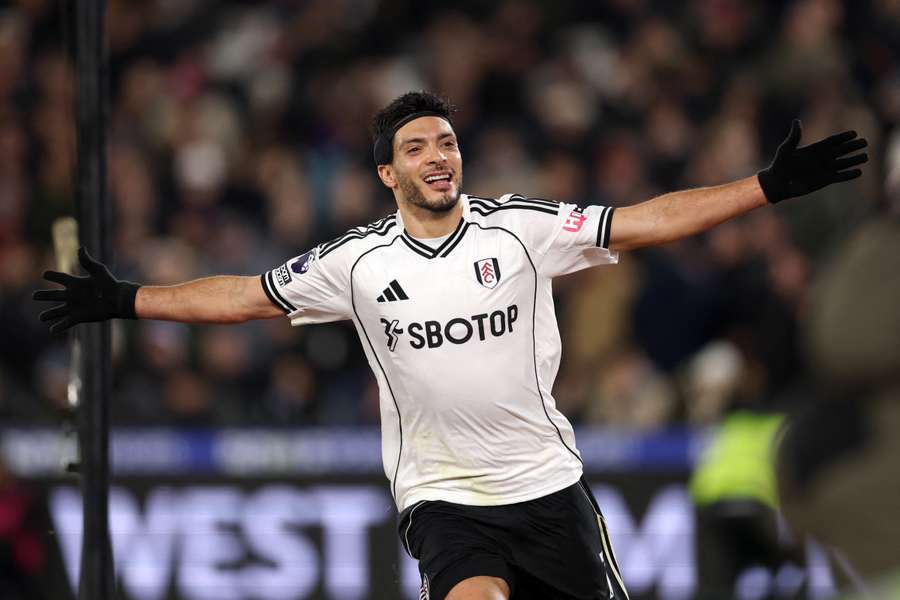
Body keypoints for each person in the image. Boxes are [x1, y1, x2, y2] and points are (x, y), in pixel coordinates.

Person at [34, 91, 868, 600]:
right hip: (444, 497)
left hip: (548, 488)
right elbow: (247, 296)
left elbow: (642, 220)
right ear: (387, 176)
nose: (439, 158)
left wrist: (766, 187)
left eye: (446, 143)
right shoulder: (353, 262)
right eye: (416, 149)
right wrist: (124, 300)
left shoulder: (520, 229)